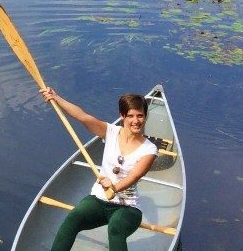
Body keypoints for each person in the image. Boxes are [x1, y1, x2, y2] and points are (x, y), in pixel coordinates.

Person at [40, 87, 158, 251]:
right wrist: (56, 98)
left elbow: (134, 177)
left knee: (115, 228)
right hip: (99, 200)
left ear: (145, 117)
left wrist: (113, 187)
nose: (136, 121)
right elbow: (83, 117)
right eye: (130, 115)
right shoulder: (110, 131)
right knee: (73, 218)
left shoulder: (149, 149)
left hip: (128, 207)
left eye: (140, 115)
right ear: (122, 116)